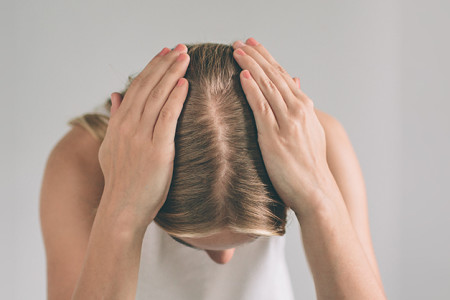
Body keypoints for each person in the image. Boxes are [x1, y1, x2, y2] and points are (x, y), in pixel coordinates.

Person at [39, 38, 387, 299]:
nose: (223, 260)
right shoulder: (81, 161)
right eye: (188, 242)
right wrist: (123, 209)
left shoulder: (314, 144)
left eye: (252, 240)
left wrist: (317, 196)